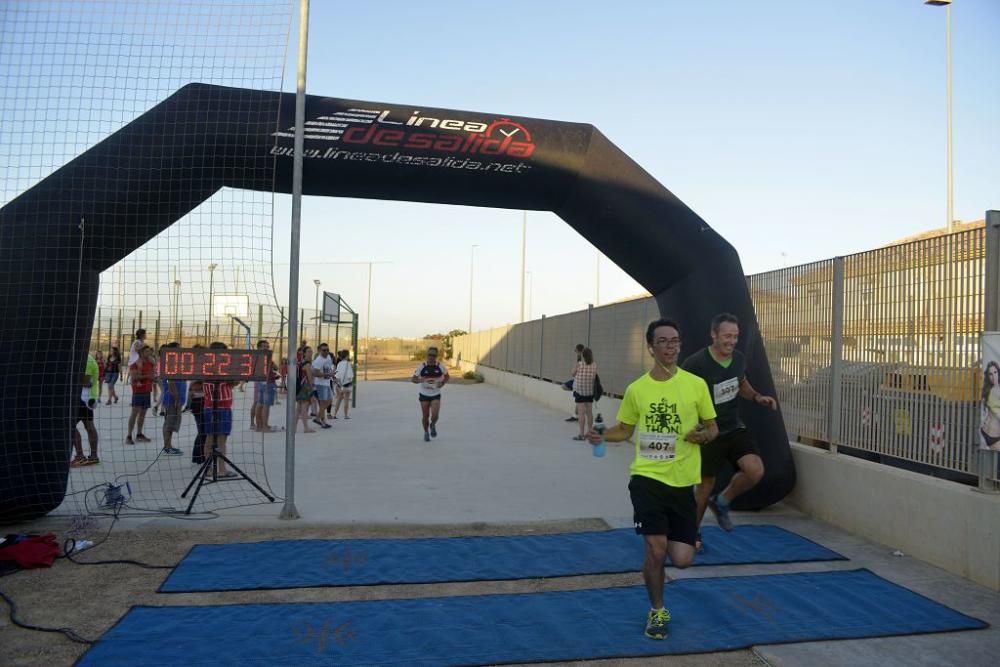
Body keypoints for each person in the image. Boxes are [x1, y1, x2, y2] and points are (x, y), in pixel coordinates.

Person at [587, 318, 717, 640]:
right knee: (656, 550)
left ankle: (664, 550)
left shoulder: (696, 385)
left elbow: (713, 427)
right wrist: (602, 435)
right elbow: (625, 430)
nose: (671, 347)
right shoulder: (637, 389)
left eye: (675, 341)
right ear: (651, 347)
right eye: (663, 342)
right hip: (647, 477)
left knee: (683, 560)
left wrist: (702, 435)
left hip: (682, 481)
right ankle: (658, 611)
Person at [682, 313, 777, 544]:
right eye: (727, 336)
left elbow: (740, 382)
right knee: (705, 487)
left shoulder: (738, 359)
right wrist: (688, 427)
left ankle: (722, 502)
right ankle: (690, 535)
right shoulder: (695, 363)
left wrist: (757, 397)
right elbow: (680, 394)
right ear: (713, 335)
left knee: (755, 470)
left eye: (735, 336)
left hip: (733, 428)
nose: (732, 341)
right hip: (708, 432)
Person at [202, 342, 237, 478]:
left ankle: (208, 468)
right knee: (221, 439)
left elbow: (229, 384)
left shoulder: (205, 367)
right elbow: (232, 381)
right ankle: (221, 470)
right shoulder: (223, 368)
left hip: (210, 406)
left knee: (210, 438)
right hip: (221, 407)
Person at [411, 346, 449, 442]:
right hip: (424, 394)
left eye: (433, 355)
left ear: (436, 356)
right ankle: (426, 433)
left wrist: (443, 383)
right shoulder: (422, 367)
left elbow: (447, 376)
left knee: (435, 415)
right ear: (427, 355)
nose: (431, 357)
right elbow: (413, 379)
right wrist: (420, 380)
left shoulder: (440, 366)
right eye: (429, 355)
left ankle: (432, 425)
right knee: (425, 415)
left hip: (435, 394)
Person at [70, 352, 101, 467]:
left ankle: (80, 456)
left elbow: (85, 381)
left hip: (83, 398)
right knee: (89, 426)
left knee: (70, 426)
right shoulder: (87, 358)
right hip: (88, 398)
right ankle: (93, 457)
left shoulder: (86, 360)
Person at [158, 342, 185, 456]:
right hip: (171, 399)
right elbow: (171, 383)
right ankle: (167, 447)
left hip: (173, 398)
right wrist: (177, 398)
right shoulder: (170, 364)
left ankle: (168, 445)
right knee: (169, 424)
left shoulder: (174, 363)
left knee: (171, 423)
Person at [126, 345, 155, 445]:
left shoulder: (150, 363)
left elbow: (153, 375)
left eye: (149, 351)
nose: (149, 353)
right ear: (141, 353)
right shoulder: (135, 363)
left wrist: (154, 376)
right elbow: (134, 377)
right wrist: (148, 376)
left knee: (143, 414)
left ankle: (139, 434)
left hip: (147, 390)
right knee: (134, 413)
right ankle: (129, 435)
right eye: (146, 351)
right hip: (138, 391)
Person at [571, 347, 597, 441]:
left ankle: (581, 435)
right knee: (589, 413)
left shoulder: (579, 364)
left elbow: (572, 373)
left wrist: (577, 363)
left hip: (580, 391)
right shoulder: (594, 365)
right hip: (589, 392)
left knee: (581, 413)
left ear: (583, 355)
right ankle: (590, 433)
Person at [253, 340, 279, 432]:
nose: (266, 348)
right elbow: (275, 367)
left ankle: (259, 425)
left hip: (260, 382)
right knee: (265, 405)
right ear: (259, 347)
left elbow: (275, 367)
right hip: (268, 382)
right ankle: (264, 426)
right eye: (264, 346)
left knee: (260, 404)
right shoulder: (265, 357)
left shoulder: (256, 357)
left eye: (267, 346)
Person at [311, 342, 335, 429]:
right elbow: (314, 373)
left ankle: (318, 419)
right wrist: (326, 375)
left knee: (329, 401)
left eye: (327, 350)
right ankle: (322, 421)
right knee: (323, 402)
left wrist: (331, 374)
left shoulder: (328, 357)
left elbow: (329, 367)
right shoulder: (318, 360)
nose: (326, 352)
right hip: (320, 384)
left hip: (327, 383)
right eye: (324, 350)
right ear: (319, 351)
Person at [295, 346, 317, 433]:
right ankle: (305, 427)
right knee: (304, 408)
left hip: (300, 387)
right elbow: (310, 377)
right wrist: (312, 389)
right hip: (305, 387)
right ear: (304, 354)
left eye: (311, 351)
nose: (310, 353)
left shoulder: (301, 362)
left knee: (298, 409)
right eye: (308, 351)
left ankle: (294, 427)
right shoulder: (307, 364)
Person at [564, 343, 585, 422]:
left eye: (576, 350)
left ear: (579, 351)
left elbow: (573, 372)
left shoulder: (582, 359)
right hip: (580, 381)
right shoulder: (583, 358)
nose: (575, 352)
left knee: (580, 400)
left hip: (580, 382)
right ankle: (576, 415)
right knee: (579, 400)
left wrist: (575, 369)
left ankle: (577, 416)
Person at [982, 361, 1000, 450]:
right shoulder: (991, 392)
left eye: (995, 372)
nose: (993, 376)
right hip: (990, 434)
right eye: (990, 374)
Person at [332, 349, 354, 419]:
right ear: (347, 356)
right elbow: (350, 375)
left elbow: (337, 375)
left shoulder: (339, 364)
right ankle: (345, 415)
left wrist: (339, 383)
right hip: (347, 384)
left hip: (340, 385)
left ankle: (334, 414)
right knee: (346, 399)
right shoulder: (348, 364)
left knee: (339, 399)